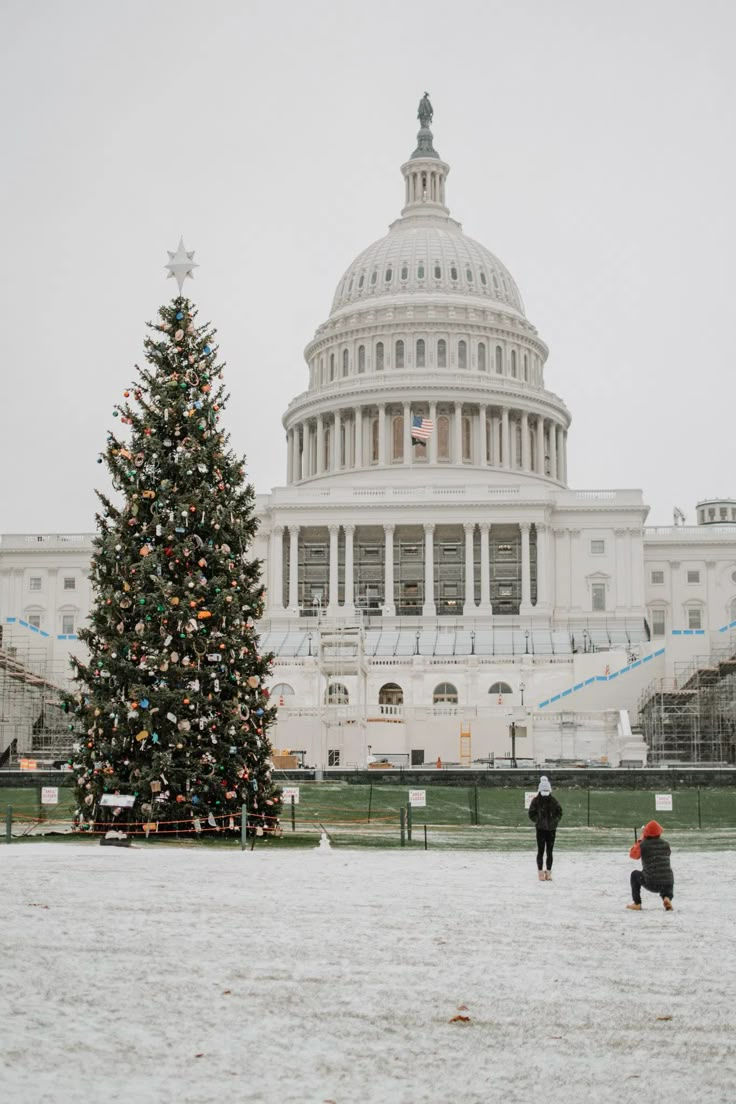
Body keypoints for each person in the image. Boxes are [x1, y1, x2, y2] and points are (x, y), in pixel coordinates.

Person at [627, 820, 674, 911]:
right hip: (667, 882)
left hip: (651, 882)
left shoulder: (643, 845)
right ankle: (667, 897)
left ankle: (637, 903)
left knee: (634, 874)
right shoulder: (666, 844)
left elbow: (633, 855)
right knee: (665, 874)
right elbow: (668, 853)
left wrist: (639, 841)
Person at [528, 776, 563, 880]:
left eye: (546, 790)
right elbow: (531, 813)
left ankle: (548, 872)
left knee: (549, 851)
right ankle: (540, 872)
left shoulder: (553, 801)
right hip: (541, 830)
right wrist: (538, 821)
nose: (545, 792)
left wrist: (555, 821)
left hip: (551, 830)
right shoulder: (536, 801)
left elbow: (559, 812)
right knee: (541, 851)